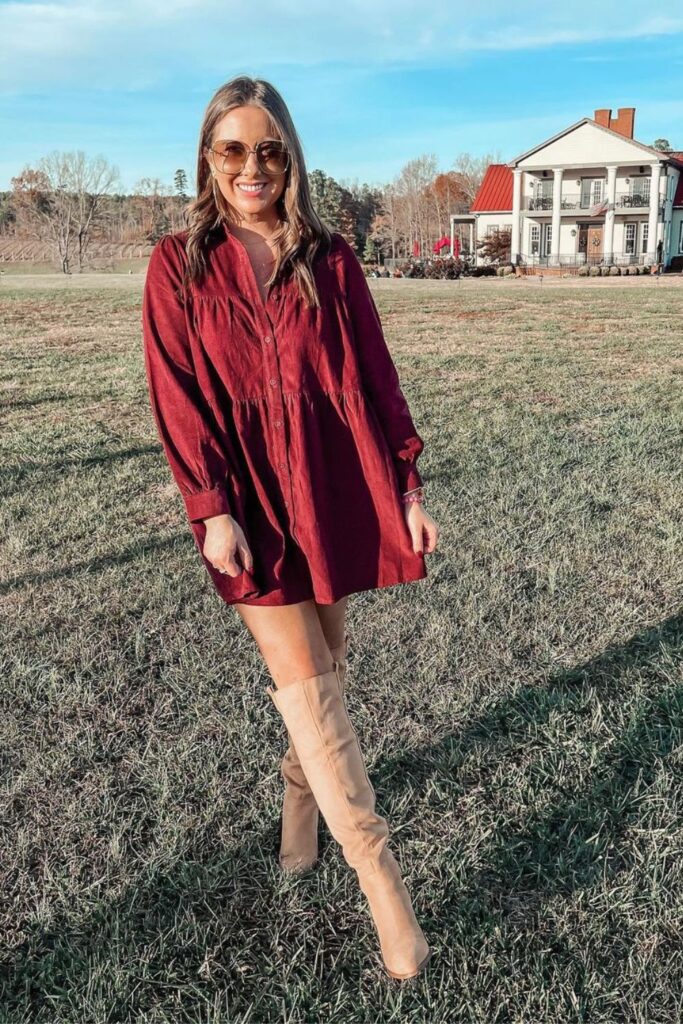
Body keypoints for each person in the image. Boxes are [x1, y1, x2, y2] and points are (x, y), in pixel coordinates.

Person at [141, 75, 439, 981]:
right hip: (247, 508)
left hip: (333, 490)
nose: (252, 167)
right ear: (207, 156)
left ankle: (298, 814)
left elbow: (377, 378)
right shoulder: (177, 263)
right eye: (232, 149)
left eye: (268, 149)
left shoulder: (331, 257)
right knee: (306, 684)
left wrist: (409, 488)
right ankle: (384, 887)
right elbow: (177, 395)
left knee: (329, 679)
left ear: (290, 156)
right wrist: (211, 507)